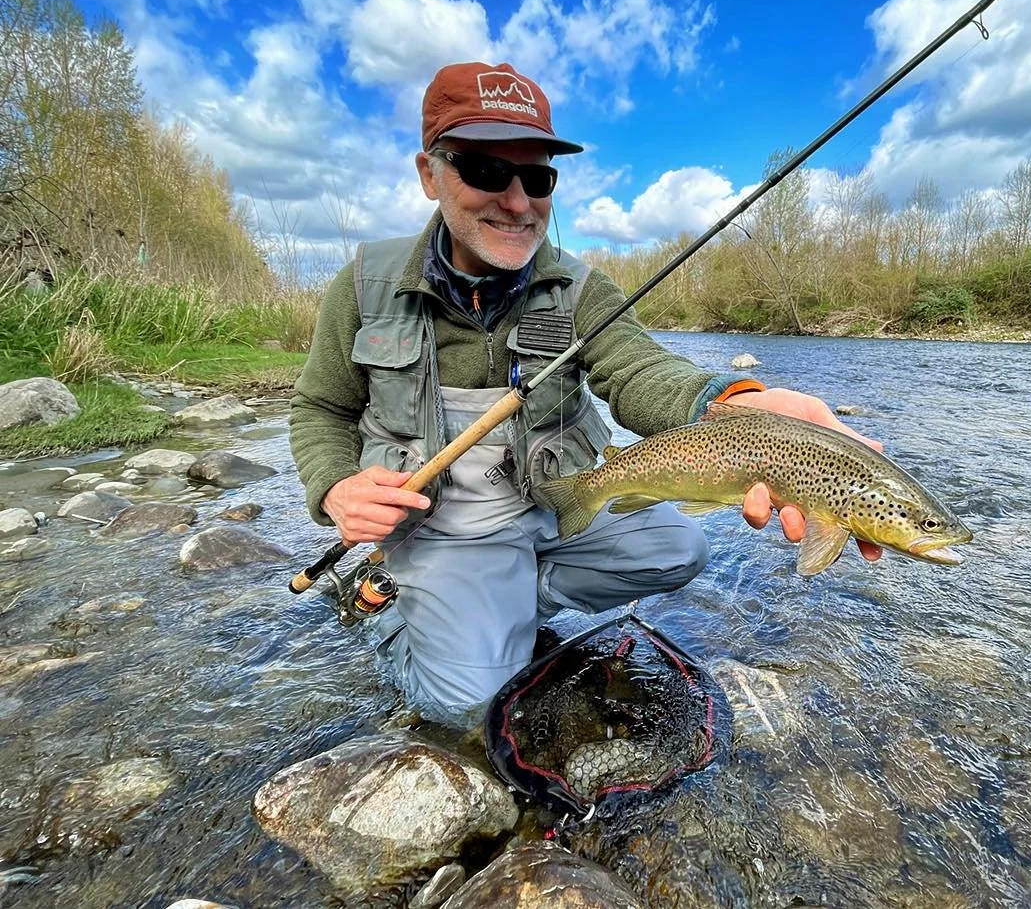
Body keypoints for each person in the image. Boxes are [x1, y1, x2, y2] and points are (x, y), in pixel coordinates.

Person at [289, 61, 881, 720]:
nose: (517, 201)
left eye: (538, 177)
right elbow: (321, 407)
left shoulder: (580, 291)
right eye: (486, 171)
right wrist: (335, 487)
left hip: (552, 504)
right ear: (430, 174)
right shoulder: (366, 287)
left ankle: (513, 598)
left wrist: (730, 404)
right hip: (443, 528)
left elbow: (636, 370)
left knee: (681, 546)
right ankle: (401, 612)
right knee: (472, 708)